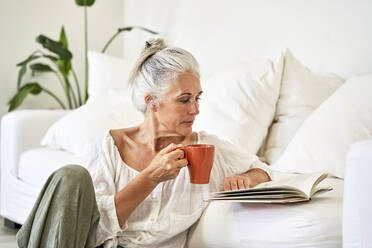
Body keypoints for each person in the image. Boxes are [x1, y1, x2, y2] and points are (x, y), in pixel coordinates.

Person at [16, 38, 272, 248]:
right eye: (184, 99)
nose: (195, 110)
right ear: (152, 102)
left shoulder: (205, 149)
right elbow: (89, 232)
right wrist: (151, 177)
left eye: (198, 98)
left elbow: (264, 170)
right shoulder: (110, 147)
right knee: (69, 177)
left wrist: (250, 179)